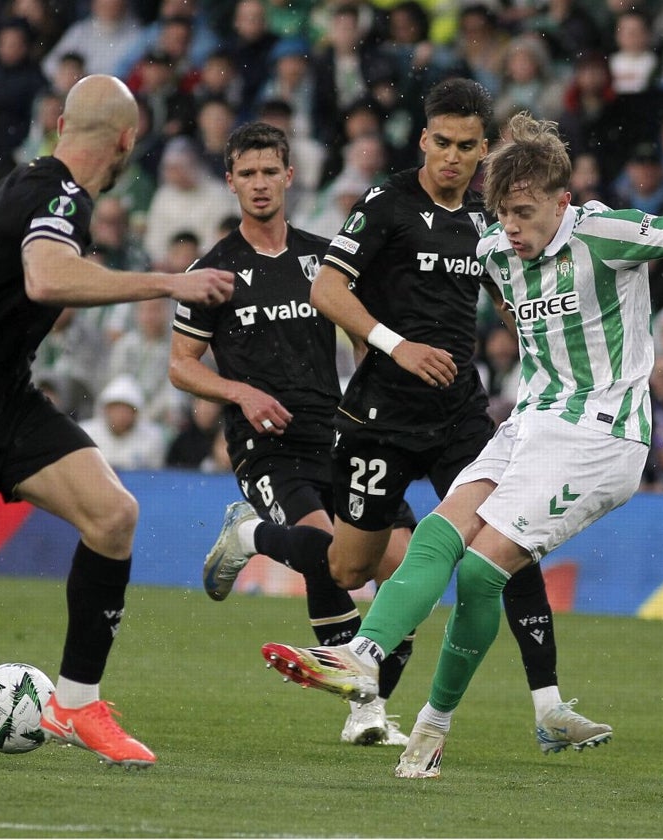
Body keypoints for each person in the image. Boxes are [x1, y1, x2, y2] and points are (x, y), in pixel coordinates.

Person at [260, 111, 663, 778]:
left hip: (602, 435)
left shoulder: (609, 233)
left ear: (562, 201)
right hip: (532, 422)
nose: (512, 229)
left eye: (524, 213)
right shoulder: (496, 250)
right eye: (501, 213)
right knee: (449, 537)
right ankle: (373, 665)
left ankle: (430, 715)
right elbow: (492, 292)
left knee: (482, 567)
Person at [228, 79, 613, 756]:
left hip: (459, 419)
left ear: (484, 149)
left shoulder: (489, 220)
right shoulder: (386, 203)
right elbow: (326, 287)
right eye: (443, 143)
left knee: (509, 545)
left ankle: (549, 705)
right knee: (349, 571)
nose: (454, 158)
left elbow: (510, 297)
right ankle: (254, 535)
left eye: (468, 147)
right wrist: (396, 345)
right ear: (423, 139)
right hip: (377, 420)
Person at [0, 74, 234, 789]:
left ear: (59, 123)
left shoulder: (40, 190)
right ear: (126, 142)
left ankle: (77, 704)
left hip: (4, 402)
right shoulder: (57, 195)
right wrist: (168, 282)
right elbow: (48, 279)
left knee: (113, 515)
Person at [170, 121, 414, 746]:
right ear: (230, 182)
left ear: (289, 174)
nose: (258, 184)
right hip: (267, 446)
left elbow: (363, 337)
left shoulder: (322, 258)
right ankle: (365, 713)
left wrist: (373, 401)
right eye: (245, 174)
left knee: (406, 570)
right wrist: (241, 393)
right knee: (329, 556)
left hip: (336, 436)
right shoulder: (214, 271)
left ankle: (369, 697)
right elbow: (180, 364)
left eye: (267, 172)